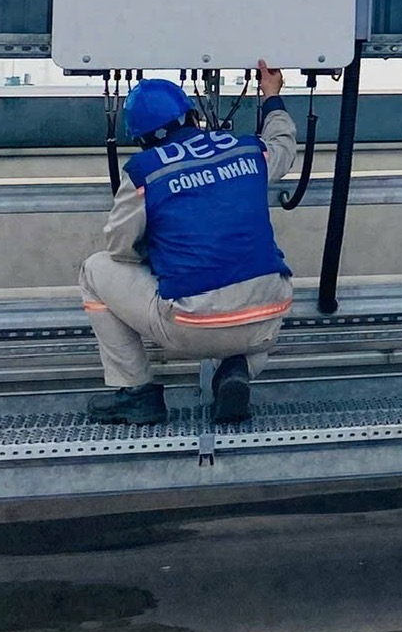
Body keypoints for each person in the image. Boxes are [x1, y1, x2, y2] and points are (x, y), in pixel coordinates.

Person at [80, 61, 299, 426]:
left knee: (94, 270)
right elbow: (283, 146)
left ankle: (136, 393)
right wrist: (271, 96)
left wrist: (165, 255)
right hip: (267, 317)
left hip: (191, 325)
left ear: (142, 140)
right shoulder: (248, 151)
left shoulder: (145, 171)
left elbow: (120, 248)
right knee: (252, 314)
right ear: (193, 116)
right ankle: (238, 368)